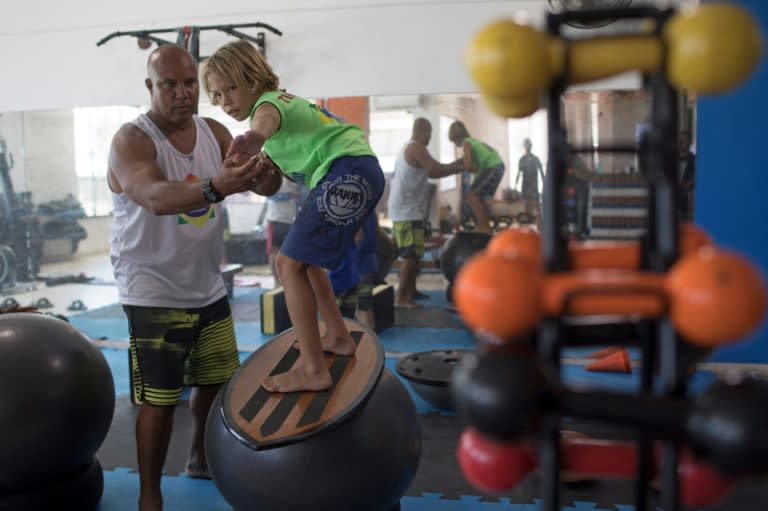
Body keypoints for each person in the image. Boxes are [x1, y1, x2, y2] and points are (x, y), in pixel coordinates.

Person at [107, 44, 278, 511]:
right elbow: (155, 195)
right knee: (160, 401)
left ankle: (199, 458)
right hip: (152, 289)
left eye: (189, 83)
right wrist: (218, 185)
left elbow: (268, 184)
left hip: (206, 283)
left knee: (216, 382)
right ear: (150, 87)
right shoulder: (133, 140)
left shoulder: (215, 131)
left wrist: (262, 171)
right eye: (169, 84)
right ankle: (149, 497)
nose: (183, 93)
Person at [202, 39, 385, 393]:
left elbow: (265, 123)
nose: (225, 101)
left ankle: (313, 369)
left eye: (231, 88)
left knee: (286, 265)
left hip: (347, 170)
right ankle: (337, 335)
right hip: (356, 169)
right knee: (306, 263)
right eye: (217, 94)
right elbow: (277, 169)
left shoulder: (267, 107)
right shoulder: (287, 101)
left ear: (253, 77)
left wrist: (255, 137)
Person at [388, 118, 463, 308]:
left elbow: (430, 171)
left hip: (410, 209)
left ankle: (411, 291)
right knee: (410, 256)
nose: (430, 137)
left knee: (416, 254)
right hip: (406, 212)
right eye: (429, 133)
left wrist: (456, 165)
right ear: (422, 131)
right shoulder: (416, 147)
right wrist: (458, 165)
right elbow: (435, 170)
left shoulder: (412, 148)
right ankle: (401, 298)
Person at [447, 120, 505, 234]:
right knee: (479, 198)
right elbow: (464, 160)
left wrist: (461, 168)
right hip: (497, 166)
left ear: (456, 137)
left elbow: (467, 164)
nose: (455, 145)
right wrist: (451, 165)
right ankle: (484, 226)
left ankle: (484, 227)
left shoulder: (466, 143)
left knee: (471, 195)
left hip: (493, 166)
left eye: (454, 141)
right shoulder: (473, 142)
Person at [264, 178, 303, 285]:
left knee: (290, 253)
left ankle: (288, 281)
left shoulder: (294, 178)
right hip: (275, 219)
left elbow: (299, 198)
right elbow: (268, 196)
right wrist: (288, 195)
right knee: (274, 252)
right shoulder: (272, 177)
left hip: (291, 220)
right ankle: (276, 282)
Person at [515, 138, 545, 229]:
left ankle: (540, 227)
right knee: (528, 207)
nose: (528, 147)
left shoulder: (536, 159)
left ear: (531, 146)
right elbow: (519, 173)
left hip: (534, 186)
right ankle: (528, 228)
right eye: (526, 145)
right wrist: (514, 187)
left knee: (537, 207)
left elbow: (541, 173)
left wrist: (544, 185)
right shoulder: (522, 159)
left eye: (529, 145)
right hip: (526, 186)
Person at [678, 130, 696, 221]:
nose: (681, 143)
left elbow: (695, 179)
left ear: (689, 142)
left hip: (686, 199)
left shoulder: (694, 160)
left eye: (684, 140)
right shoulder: (673, 158)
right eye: (680, 140)